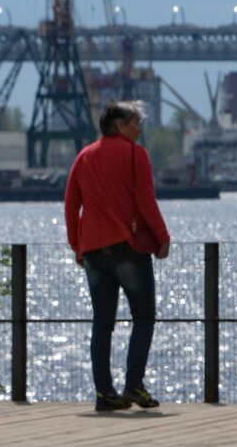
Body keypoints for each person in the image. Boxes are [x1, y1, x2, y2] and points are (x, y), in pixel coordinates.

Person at [64, 100, 171, 413]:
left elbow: (71, 205)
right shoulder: (136, 154)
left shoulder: (84, 156)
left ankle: (105, 393)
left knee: (102, 323)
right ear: (119, 125)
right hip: (128, 249)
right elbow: (145, 200)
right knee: (143, 317)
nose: (140, 128)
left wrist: (77, 246)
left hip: (94, 252)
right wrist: (163, 237)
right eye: (135, 122)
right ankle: (133, 385)